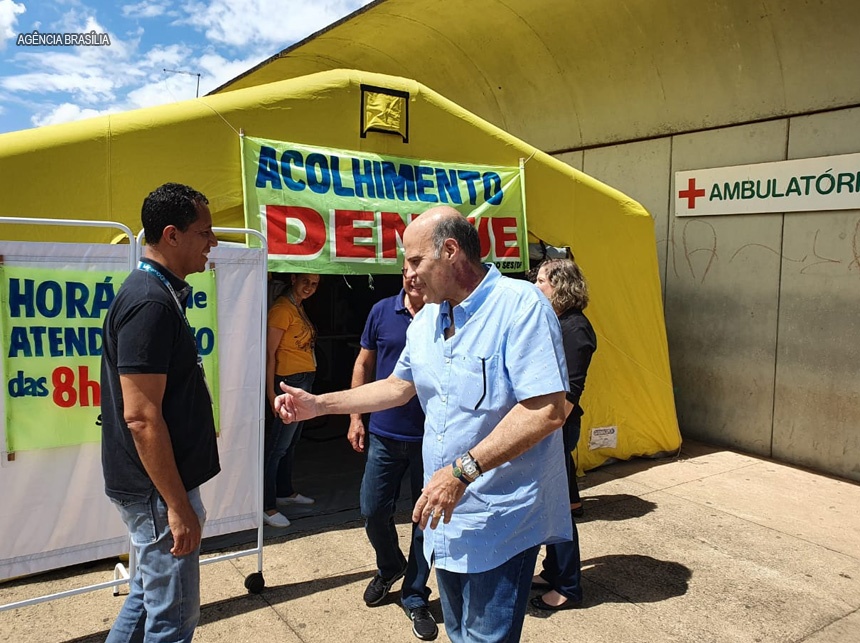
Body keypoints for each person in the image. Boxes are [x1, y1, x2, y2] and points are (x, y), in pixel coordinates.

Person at [274, 206, 572, 642]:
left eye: (415, 261)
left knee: (486, 637)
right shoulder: (428, 319)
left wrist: (461, 472)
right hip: (444, 513)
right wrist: (318, 404)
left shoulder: (520, 306)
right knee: (459, 632)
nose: (408, 274)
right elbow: (398, 387)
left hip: (500, 516)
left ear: (450, 251)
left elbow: (546, 409)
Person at [100, 182, 220, 643]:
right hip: (157, 492)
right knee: (173, 621)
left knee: (145, 599)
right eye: (204, 232)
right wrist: (177, 505)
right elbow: (141, 418)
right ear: (172, 235)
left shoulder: (158, 293)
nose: (212, 242)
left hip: (158, 488)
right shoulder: (149, 302)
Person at [349, 270, 437, 641]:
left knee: (425, 520)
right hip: (384, 434)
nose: (412, 277)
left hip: (430, 438)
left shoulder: (444, 312)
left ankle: (415, 594)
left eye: (419, 270)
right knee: (372, 509)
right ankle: (390, 567)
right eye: (406, 271)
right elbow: (363, 364)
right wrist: (356, 417)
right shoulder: (381, 311)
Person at [530, 257, 597, 611]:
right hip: (550, 426)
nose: (536, 286)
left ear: (560, 286)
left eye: (542, 281)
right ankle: (554, 570)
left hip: (558, 427)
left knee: (557, 508)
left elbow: (570, 391)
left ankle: (569, 587)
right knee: (548, 506)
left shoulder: (575, 329)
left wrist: (543, 431)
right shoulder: (557, 321)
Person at [263, 272, 320, 527]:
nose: (309, 287)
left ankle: (284, 491)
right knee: (277, 446)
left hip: (302, 381)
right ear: (294, 279)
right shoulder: (282, 309)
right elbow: (269, 354)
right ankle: (266, 505)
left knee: (291, 442)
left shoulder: (297, 306)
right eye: (305, 281)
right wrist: (271, 393)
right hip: (288, 383)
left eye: (314, 284)